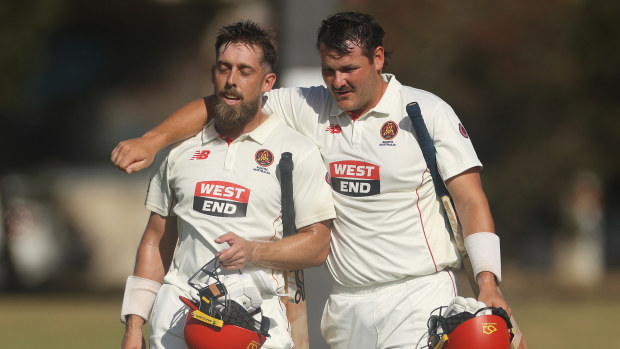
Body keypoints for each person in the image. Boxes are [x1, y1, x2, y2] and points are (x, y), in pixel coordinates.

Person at [113, 12, 514, 349]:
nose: (337, 82)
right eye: (329, 70)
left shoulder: (425, 112)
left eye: (348, 69)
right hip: (344, 305)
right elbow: (226, 100)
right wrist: (154, 140)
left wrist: (487, 284)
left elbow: (471, 202)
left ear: (377, 59)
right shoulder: (308, 105)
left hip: (419, 295)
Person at [119, 20, 336, 349]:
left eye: (245, 71)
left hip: (258, 320)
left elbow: (318, 246)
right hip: (177, 318)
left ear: (267, 82)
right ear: (213, 73)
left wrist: (254, 251)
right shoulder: (180, 150)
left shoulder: (296, 151)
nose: (231, 80)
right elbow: (155, 241)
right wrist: (134, 325)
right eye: (224, 68)